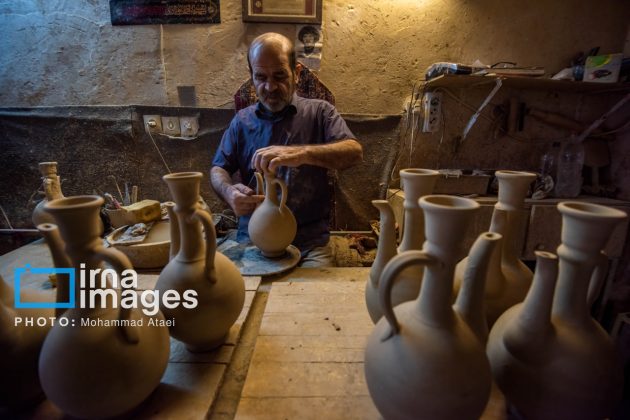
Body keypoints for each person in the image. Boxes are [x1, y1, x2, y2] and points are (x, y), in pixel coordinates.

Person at [211, 32, 363, 267]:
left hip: (309, 243)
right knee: (229, 290)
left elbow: (354, 152)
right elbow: (218, 168)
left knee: (309, 299)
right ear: (252, 77)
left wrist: (302, 153)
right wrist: (229, 192)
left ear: (297, 73)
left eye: (279, 75)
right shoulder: (241, 122)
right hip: (253, 240)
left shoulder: (320, 112)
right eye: (260, 77)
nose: (270, 86)